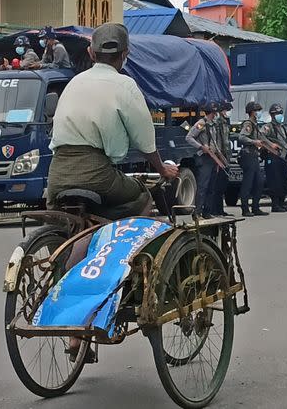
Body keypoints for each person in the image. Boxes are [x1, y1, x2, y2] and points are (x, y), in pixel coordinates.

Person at [47, 22, 179, 361]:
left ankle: (75, 326)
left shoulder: (74, 82)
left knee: (80, 231)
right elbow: (145, 139)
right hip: (96, 172)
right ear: (125, 55)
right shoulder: (125, 85)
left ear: (91, 53)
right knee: (141, 199)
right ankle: (125, 282)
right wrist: (162, 168)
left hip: (58, 173)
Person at [262, 103, 287, 213]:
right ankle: (275, 205)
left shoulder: (283, 128)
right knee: (275, 182)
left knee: (284, 181)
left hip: (284, 158)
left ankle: (282, 203)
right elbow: (261, 136)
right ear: (272, 115)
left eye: (280, 113)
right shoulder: (268, 127)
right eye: (277, 114)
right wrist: (270, 144)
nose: (279, 116)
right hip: (273, 157)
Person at [186, 103, 222, 219]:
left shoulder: (214, 125)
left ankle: (207, 211)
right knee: (203, 186)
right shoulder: (201, 124)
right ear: (211, 113)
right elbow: (189, 137)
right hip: (204, 158)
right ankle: (197, 212)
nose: (215, 114)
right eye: (214, 112)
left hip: (213, 158)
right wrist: (201, 147)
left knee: (211, 187)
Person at [238, 101, 274, 217]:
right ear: (252, 112)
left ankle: (255, 207)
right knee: (248, 183)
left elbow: (262, 137)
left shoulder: (255, 124)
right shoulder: (248, 124)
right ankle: (245, 208)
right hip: (248, 156)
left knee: (259, 182)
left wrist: (270, 144)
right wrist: (254, 142)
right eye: (257, 111)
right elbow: (242, 137)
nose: (259, 113)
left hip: (254, 156)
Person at [210, 102, 234, 217]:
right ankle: (215, 210)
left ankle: (220, 209)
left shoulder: (225, 122)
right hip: (220, 158)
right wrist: (219, 159)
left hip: (225, 156)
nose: (227, 112)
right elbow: (218, 142)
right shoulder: (218, 123)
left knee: (222, 185)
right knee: (217, 186)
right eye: (226, 110)